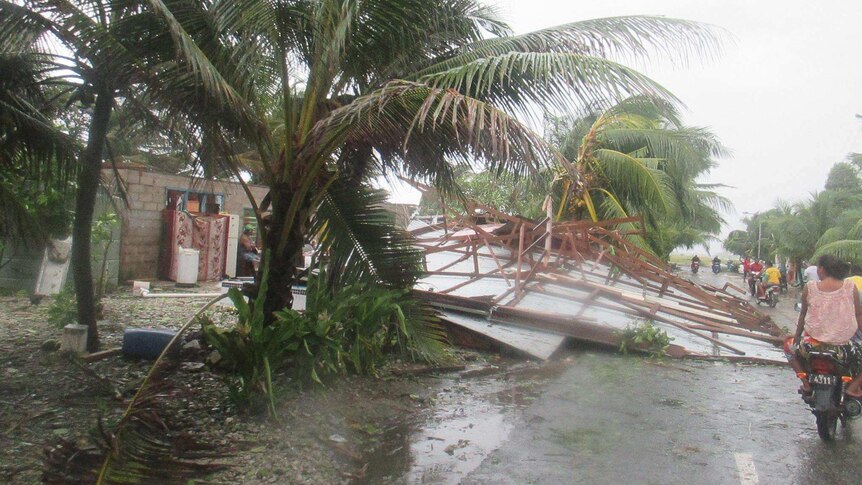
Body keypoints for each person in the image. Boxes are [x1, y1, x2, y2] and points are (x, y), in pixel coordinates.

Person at [787, 255, 862, 397]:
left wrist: (797, 337)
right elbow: (859, 316)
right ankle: (853, 387)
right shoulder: (850, 287)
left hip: (811, 346)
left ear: (821, 269)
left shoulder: (809, 287)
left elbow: (803, 315)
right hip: (843, 349)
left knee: (787, 345)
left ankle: (806, 384)